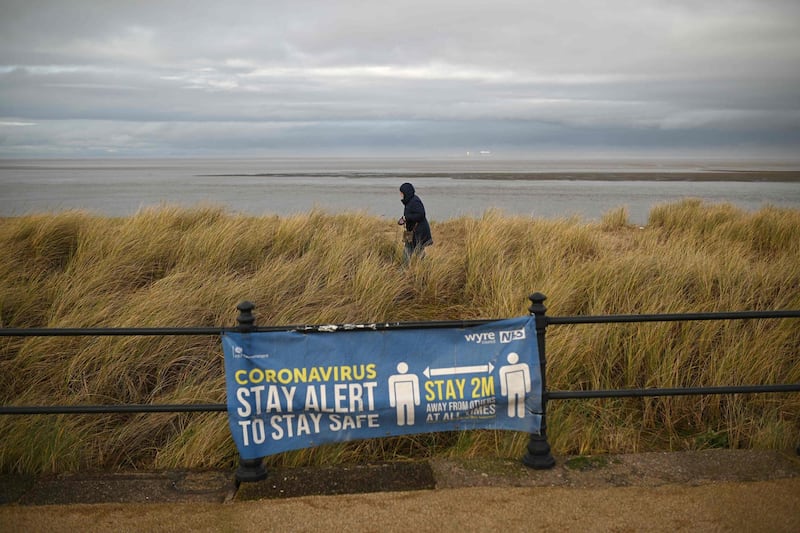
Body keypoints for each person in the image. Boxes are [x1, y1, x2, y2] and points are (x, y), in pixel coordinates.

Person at [397, 182, 433, 264]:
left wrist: (407, 218)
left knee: (418, 252)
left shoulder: (415, 201)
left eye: (401, 192)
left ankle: (422, 269)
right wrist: (404, 219)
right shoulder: (408, 200)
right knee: (407, 249)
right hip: (409, 230)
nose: (400, 194)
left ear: (406, 192)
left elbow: (421, 215)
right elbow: (411, 214)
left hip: (418, 231)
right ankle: (406, 269)